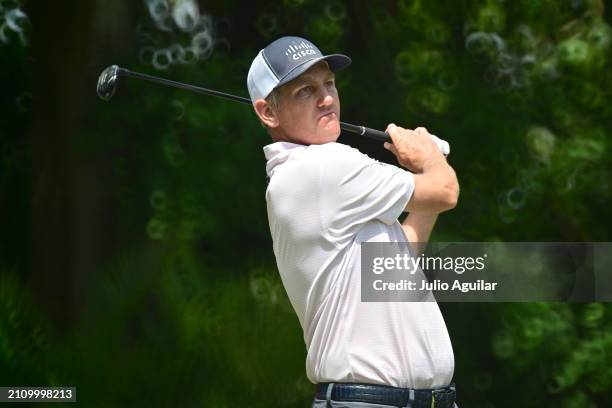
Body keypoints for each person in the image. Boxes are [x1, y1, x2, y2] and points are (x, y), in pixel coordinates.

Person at [247, 36, 460, 408]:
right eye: (305, 91)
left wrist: (423, 165)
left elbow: (397, 259)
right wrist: (428, 156)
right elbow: (445, 192)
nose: (326, 98)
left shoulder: (315, 177)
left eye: (329, 83)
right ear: (268, 113)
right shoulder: (322, 166)